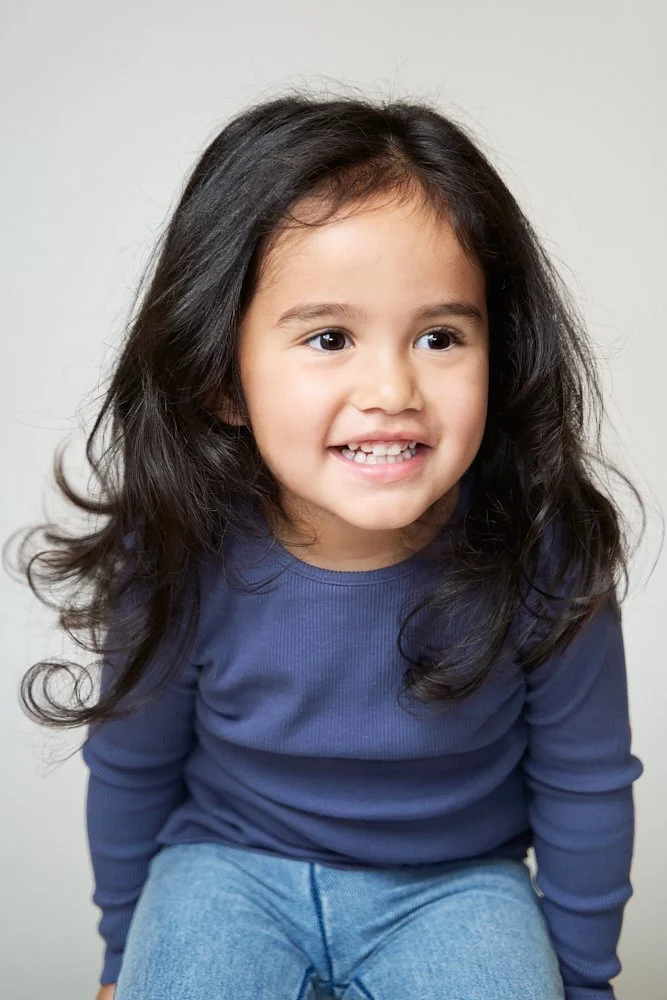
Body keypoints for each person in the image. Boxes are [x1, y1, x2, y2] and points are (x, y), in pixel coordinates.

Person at [8, 90, 646, 1000]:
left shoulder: (546, 556)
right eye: (329, 337)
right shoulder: (180, 548)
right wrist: (121, 960)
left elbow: (585, 787)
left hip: (456, 882)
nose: (391, 387)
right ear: (223, 379)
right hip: (227, 869)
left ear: (496, 354)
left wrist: (582, 985)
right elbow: (132, 763)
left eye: (438, 335)